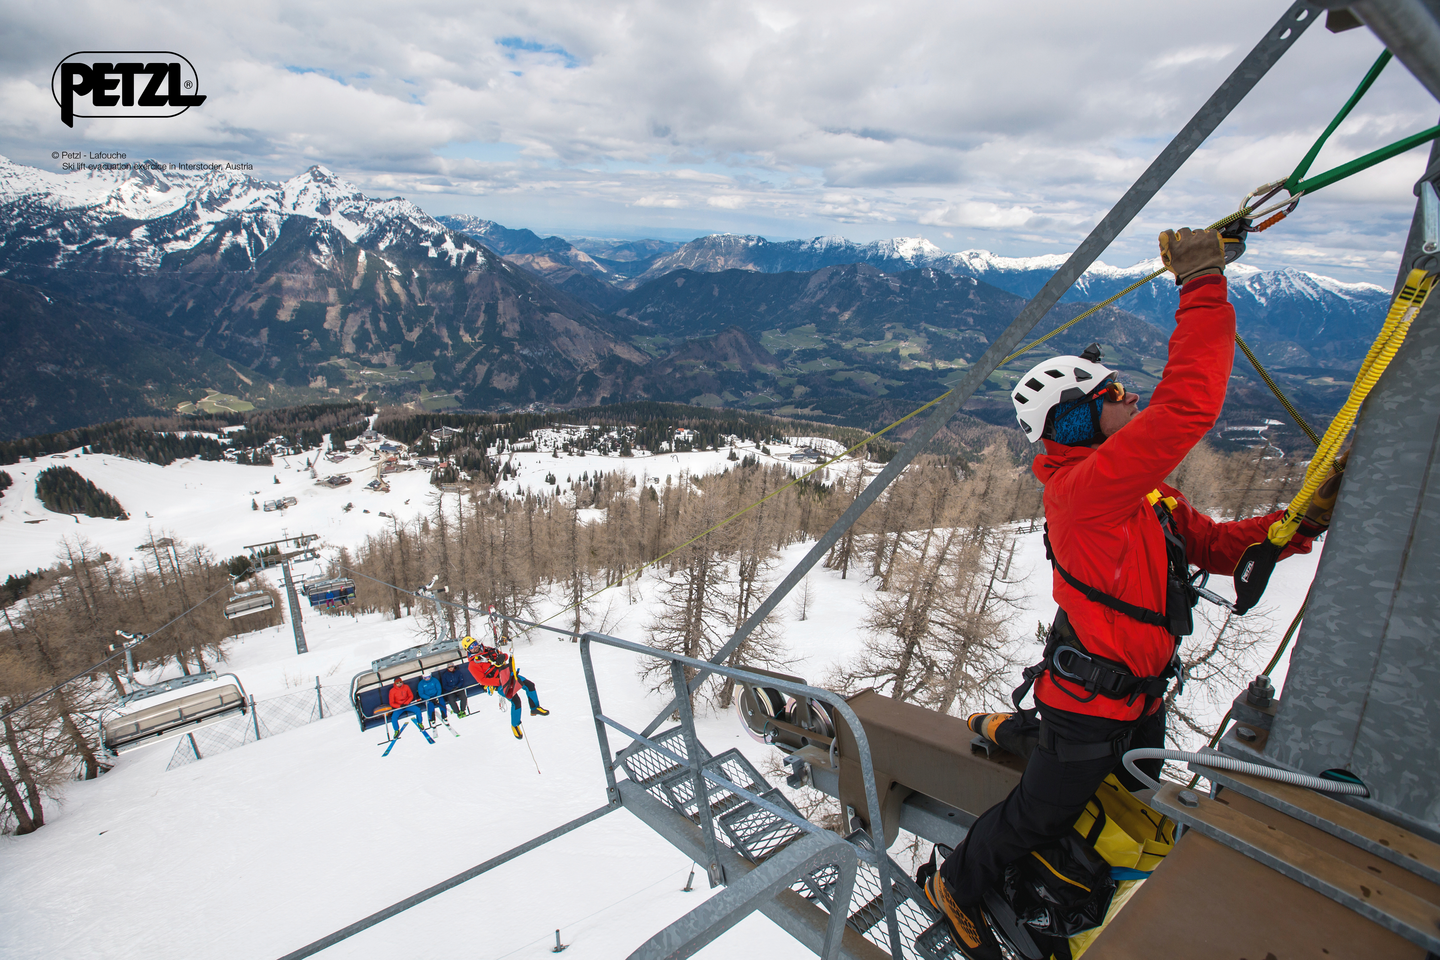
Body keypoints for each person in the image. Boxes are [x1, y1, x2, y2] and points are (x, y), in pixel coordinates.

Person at [924, 228, 1322, 959]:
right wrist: (1201, 283)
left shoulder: (1142, 496)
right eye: (1111, 394)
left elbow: (1212, 546)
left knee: (1128, 797)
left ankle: (1019, 736)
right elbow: (1187, 409)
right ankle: (956, 883)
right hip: (1090, 706)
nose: (1128, 394)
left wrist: (1298, 525)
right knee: (1037, 819)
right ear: (1076, 418)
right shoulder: (1087, 491)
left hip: (1139, 693)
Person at [463, 639, 548, 739]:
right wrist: (499, 682)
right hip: (499, 684)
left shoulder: (489, 650)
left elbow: (504, 656)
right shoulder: (473, 665)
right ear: (468, 650)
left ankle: (534, 708)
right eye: (471, 647)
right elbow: (482, 681)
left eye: (475, 644)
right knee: (516, 701)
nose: (475, 647)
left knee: (530, 685)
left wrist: (503, 657)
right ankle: (515, 725)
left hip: (508, 675)